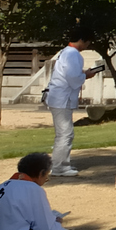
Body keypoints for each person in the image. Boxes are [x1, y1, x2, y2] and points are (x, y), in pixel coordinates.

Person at [44, 29, 97, 178]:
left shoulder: (66, 52)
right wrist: (86, 75)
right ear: (82, 40)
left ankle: (60, 163)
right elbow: (73, 78)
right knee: (65, 133)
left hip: (59, 96)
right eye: (87, 42)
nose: (87, 45)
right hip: (62, 97)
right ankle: (60, 166)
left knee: (64, 133)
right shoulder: (73, 54)